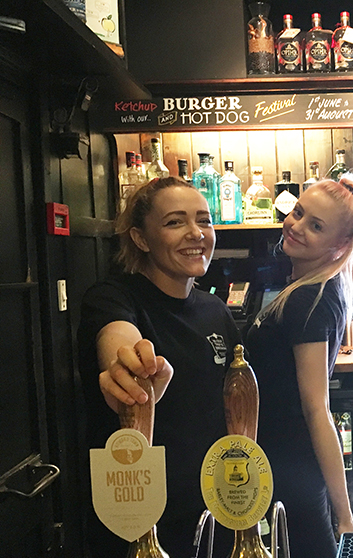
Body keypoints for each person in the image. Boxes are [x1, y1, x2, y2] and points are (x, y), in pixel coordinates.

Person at [78, 177, 240, 557]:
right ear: (140, 238)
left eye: (205, 220)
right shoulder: (114, 297)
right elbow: (118, 340)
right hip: (140, 519)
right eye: (174, 222)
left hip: (212, 511)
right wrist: (129, 368)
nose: (196, 233)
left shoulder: (215, 311)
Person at [244, 174, 353, 558]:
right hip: (286, 465)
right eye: (298, 213)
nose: (296, 227)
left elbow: (317, 409)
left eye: (316, 226)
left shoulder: (309, 299)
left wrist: (344, 514)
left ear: (340, 245)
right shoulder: (312, 288)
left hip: (290, 467)